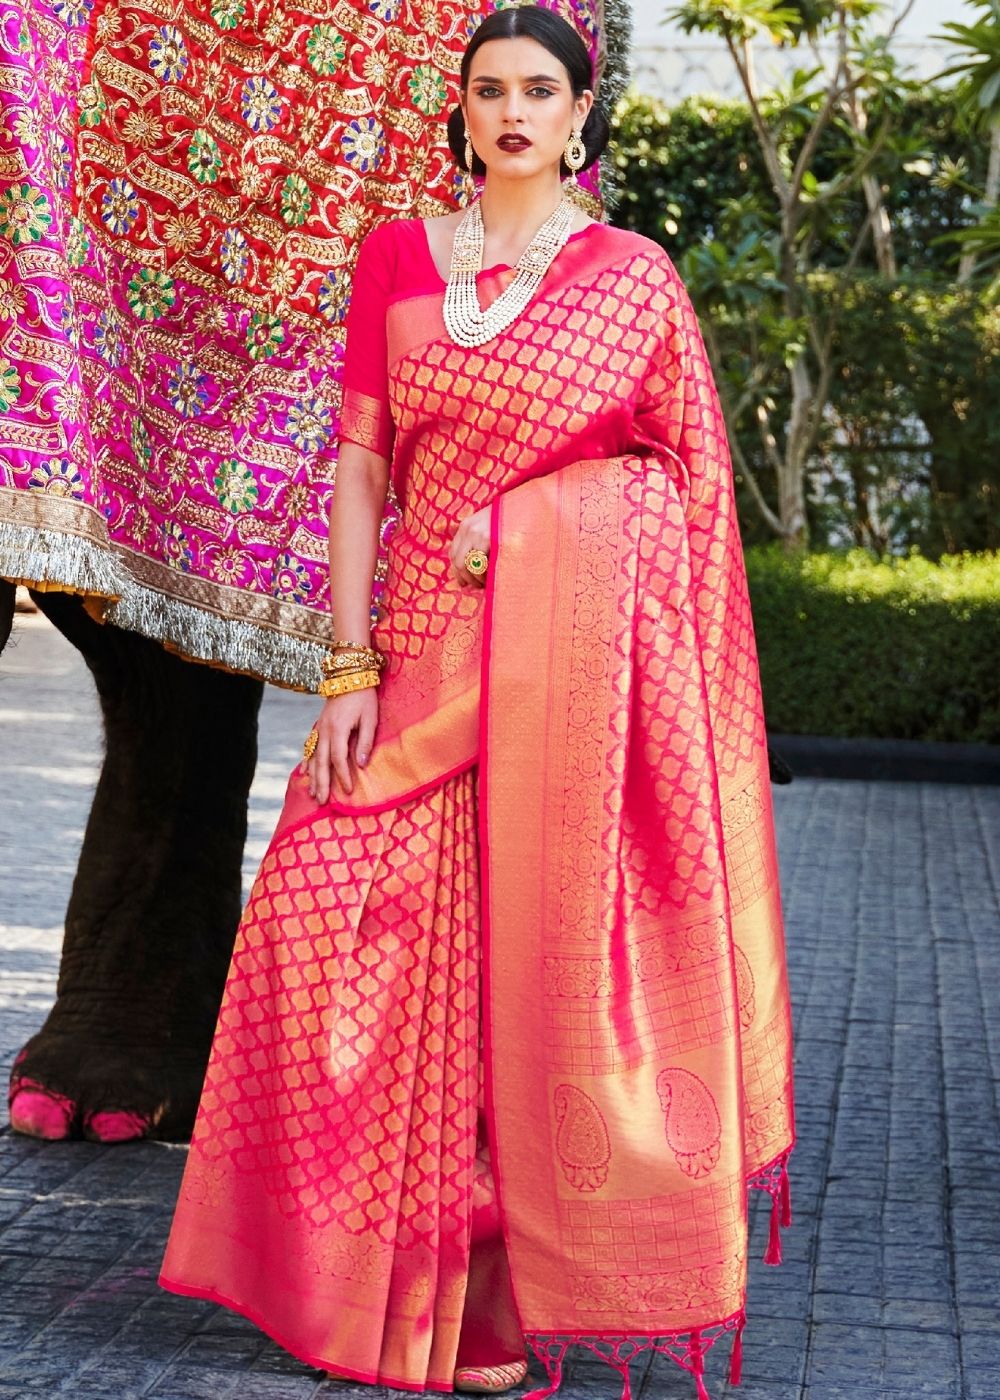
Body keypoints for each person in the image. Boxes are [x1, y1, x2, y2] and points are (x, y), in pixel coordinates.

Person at [159, 8, 796, 1397]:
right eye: (490, 91)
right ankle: (337, 1280)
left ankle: (486, 1296)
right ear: (462, 110)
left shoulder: (632, 281)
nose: (513, 112)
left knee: (519, 976)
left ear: (581, 115)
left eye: (540, 92)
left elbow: (683, 499)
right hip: (415, 663)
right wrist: (345, 665)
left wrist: (534, 531)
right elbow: (358, 472)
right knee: (323, 928)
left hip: (561, 681)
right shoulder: (398, 258)